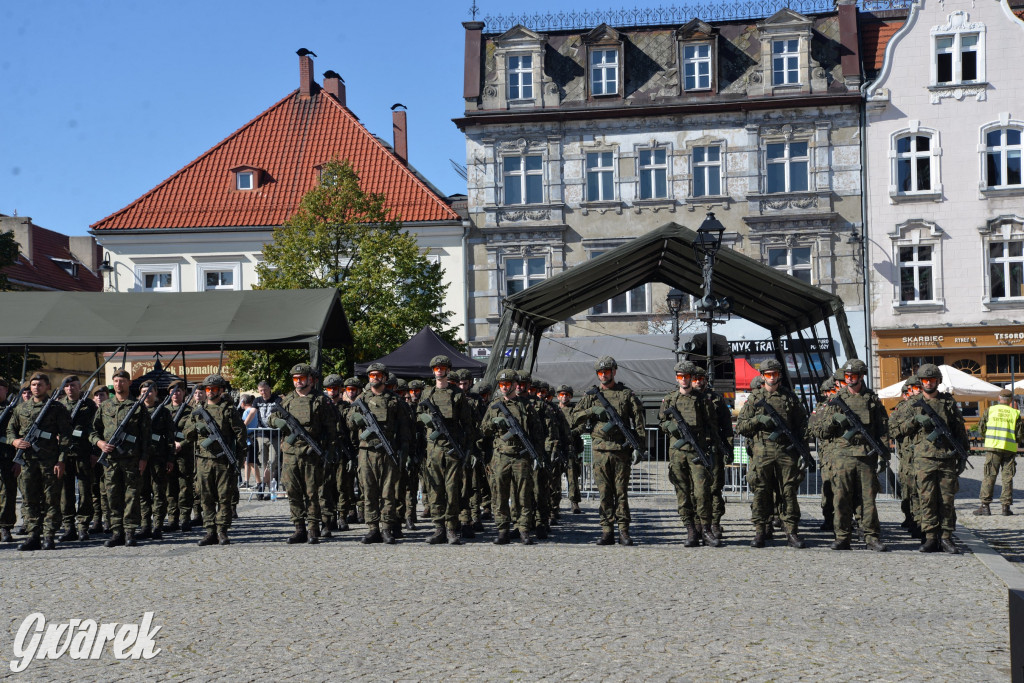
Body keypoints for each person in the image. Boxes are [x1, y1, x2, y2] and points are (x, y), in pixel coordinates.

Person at [571, 356, 646, 546]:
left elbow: (639, 423)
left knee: (621, 493)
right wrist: (592, 411)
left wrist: (639, 447)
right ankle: (606, 530)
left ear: (614, 371)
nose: (603, 376)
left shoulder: (626, 394)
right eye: (600, 373)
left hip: (621, 450)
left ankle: (623, 530)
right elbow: (574, 418)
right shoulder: (591, 396)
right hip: (600, 451)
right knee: (604, 493)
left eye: (607, 372)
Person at [815, 359, 889, 552]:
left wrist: (883, 455)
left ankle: (871, 536)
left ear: (862, 376)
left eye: (853, 376)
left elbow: (882, 429)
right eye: (847, 376)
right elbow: (821, 431)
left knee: (868, 499)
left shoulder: (872, 400)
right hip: (843, 456)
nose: (849, 380)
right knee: (841, 497)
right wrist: (834, 421)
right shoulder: (836, 400)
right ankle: (842, 536)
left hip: (866, 455)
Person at [735, 359, 809, 549]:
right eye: (768, 374)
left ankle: (791, 532)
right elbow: (742, 426)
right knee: (761, 491)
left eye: (775, 374)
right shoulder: (754, 399)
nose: (772, 377)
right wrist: (758, 420)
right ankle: (760, 531)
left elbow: (802, 425)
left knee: (788, 491)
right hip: (762, 451)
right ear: (762, 376)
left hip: (786, 451)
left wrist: (802, 450)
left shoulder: (789, 397)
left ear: (779, 375)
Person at [903, 363, 969, 554]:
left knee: (947, 500)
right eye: (925, 380)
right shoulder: (912, 404)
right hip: (923, 460)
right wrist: (915, 421)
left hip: (946, 458)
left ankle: (947, 537)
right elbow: (897, 429)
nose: (929, 383)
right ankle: (930, 537)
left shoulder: (948, 403)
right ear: (921, 382)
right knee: (927, 499)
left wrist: (963, 454)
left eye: (932, 380)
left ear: (938, 381)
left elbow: (959, 430)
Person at [659, 360, 723, 547]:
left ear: (692, 378)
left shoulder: (703, 400)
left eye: (687, 377)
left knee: (703, 492)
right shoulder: (670, 399)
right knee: (683, 493)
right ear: (676, 378)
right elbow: (662, 422)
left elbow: (712, 428)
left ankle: (706, 529)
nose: (684, 380)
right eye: (680, 377)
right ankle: (690, 530)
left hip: (698, 451)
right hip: (678, 453)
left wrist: (715, 449)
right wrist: (671, 426)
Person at [346, 362, 410, 544]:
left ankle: (387, 528)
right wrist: (356, 419)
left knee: (388, 492)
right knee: (369, 491)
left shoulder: (394, 400)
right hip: (366, 451)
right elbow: (349, 424)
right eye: (372, 375)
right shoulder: (361, 400)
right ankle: (373, 528)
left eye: (378, 375)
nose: (374, 378)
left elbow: (405, 428)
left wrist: (404, 450)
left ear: (384, 377)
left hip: (387, 451)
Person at [7, 373, 72, 551]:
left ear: (48, 387)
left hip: (49, 461)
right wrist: (14, 441)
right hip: (28, 462)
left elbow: (66, 437)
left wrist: (61, 460)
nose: (36, 387)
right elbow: (10, 430)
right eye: (34, 384)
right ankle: (33, 536)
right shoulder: (21, 408)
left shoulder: (57, 408)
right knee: (29, 499)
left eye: (40, 384)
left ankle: (49, 536)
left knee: (51, 499)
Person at [480, 369, 544, 545]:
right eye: (501, 385)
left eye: (507, 384)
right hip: (501, 456)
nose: (503, 388)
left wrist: (537, 456)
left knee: (523, 495)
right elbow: (483, 429)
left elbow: (538, 433)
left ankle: (523, 529)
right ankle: (502, 530)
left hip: (522, 456)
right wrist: (494, 423)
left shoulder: (526, 405)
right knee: (499, 494)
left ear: (516, 385)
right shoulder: (494, 405)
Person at [182, 374, 246, 545]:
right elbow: (187, 434)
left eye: (214, 389)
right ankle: (210, 531)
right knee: (206, 497)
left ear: (221, 390)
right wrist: (197, 427)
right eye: (207, 389)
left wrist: (238, 460)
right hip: (203, 460)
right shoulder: (198, 410)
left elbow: (240, 436)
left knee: (224, 497)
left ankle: (222, 531)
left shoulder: (228, 410)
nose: (210, 392)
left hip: (224, 461)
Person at [90, 369, 152, 547]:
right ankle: (117, 531)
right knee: (112, 495)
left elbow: (146, 436)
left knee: (132, 495)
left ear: (129, 383)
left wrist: (144, 458)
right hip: (110, 460)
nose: (119, 384)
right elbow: (92, 431)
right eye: (116, 381)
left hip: (131, 459)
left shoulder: (138, 406)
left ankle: (130, 531)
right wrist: (100, 443)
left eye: (122, 381)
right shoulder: (105, 406)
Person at [418, 356, 474, 544]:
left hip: (452, 449)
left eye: (442, 368)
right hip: (434, 449)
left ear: (448, 370)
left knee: (452, 489)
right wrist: (428, 420)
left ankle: (451, 528)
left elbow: (467, 425)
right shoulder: (427, 393)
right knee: (435, 489)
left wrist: (467, 449)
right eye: (436, 368)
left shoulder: (457, 394)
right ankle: (438, 528)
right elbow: (418, 416)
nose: (439, 371)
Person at [692, 365, 733, 539]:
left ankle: (715, 523)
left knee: (715, 488)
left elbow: (726, 425)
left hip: (714, 449)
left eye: (701, 379)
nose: (698, 382)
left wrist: (728, 448)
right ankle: (697, 524)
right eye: (695, 379)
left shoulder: (716, 399)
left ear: (706, 380)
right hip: (694, 449)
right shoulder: (686, 398)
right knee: (695, 490)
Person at [56, 374, 98, 542]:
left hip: (84, 454)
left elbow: (96, 428)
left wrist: (95, 452)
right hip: (64, 455)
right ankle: (69, 527)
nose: (70, 388)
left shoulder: (89, 405)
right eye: (67, 386)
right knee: (66, 493)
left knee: (85, 491)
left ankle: (83, 526)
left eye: (73, 385)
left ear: (79, 387)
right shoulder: (59, 406)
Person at [974, 388, 1023, 516]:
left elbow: (981, 428)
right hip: (1009, 448)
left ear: (998, 399)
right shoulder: (1015, 413)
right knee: (1007, 477)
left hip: (993, 447)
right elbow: (1020, 434)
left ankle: (985, 506)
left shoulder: (990, 410)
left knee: (989, 476)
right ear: (1011, 400)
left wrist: (989, 436)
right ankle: (1005, 508)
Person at [138, 379, 173, 540]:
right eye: (144, 391)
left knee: (158, 493)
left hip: (158, 457)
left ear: (156, 393)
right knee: (143, 493)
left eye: (150, 391)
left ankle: (157, 525)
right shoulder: (136, 410)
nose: (147, 394)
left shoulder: (164, 412)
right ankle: (145, 525)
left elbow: (170, 437)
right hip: (140, 458)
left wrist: (170, 458)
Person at [165, 380, 194, 531]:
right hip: (168, 453)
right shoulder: (163, 410)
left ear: (183, 393)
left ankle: (185, 519)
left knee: (185, 488)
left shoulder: (190, 411)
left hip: (184, 454)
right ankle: (172, 519)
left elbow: (191, 432)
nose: (175, 394)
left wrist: (181, 444)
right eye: (173, 391)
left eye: (178, 391)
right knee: (170, 489)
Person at [555, 385, 583, 515]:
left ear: (570, 396)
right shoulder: (553, 410)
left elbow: (581, 426)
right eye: (561, 394)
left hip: (570, 447)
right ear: (557, 396)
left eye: (566, 394)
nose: (564, 396)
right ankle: (555, 504)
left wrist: (572, 433)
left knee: (572, 477)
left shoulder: (575, 410)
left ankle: (574, 502)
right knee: (555, 477)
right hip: (557, 447)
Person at [253, 380, 281, 500]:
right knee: (263, 462)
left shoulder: (277, 400)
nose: (263, 392)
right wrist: (244, 425)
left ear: (269, 389)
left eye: (264, 390)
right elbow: (252, 413)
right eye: (260, 390)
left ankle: (262, 484)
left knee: (273, 461)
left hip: (274, 435)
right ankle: (270, 490)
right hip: (261, 435)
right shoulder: (257, 400)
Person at [0, 379, 16, 542]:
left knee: (7, 493)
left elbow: (18, 434)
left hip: (6, 457)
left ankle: (5, 526)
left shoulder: (12, 410)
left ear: (5, 390)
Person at [240, 394, 259, 488]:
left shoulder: (249, 410)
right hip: (247, 439)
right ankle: (246, 481)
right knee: (246, 462)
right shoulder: (247, 411)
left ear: (242, 403)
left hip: (250, 439)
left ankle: (259, 482)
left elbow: (244, 424)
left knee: (252, 462)